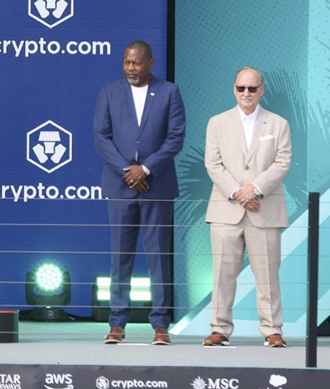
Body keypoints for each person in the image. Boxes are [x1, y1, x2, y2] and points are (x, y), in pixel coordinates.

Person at [93, 40, 185, 345]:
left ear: (150, 63)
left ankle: (160, 325)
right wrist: (128, 171)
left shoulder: (169, 92)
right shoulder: (109, 91)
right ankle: (117, 323)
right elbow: (101, 137)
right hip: (121, 187)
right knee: (120, 258)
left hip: (156, 186)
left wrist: (145, 169)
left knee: (158, 258)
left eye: (136, 62)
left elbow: (175, 137)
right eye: (126, 62)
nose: (130, 68)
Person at [202, 67, 292, 348]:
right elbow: (213, 164)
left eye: (252, 88)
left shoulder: (278, 124)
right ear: (234, 89)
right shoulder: (217, 123)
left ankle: (272, 330)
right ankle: (219, 328)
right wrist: (238, 193)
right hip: (226, 210)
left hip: (264, 209)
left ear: (262, 90)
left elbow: (283, 162)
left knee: (267, 275)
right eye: (241, 88)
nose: (246, 93)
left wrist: (255, 188)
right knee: (222, 275)